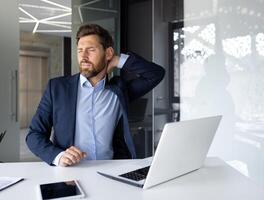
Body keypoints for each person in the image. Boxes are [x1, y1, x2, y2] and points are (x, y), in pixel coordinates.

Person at [26, 24, 165, 167]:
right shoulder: (57, 88)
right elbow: (34, 135)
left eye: (91, 50)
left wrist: (118, 60)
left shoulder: (119, 91)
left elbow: (155, 74)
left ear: (108, 53)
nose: (83, 57)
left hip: (111, 172)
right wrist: (58, 156)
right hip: (71, 174)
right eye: (80, 50)